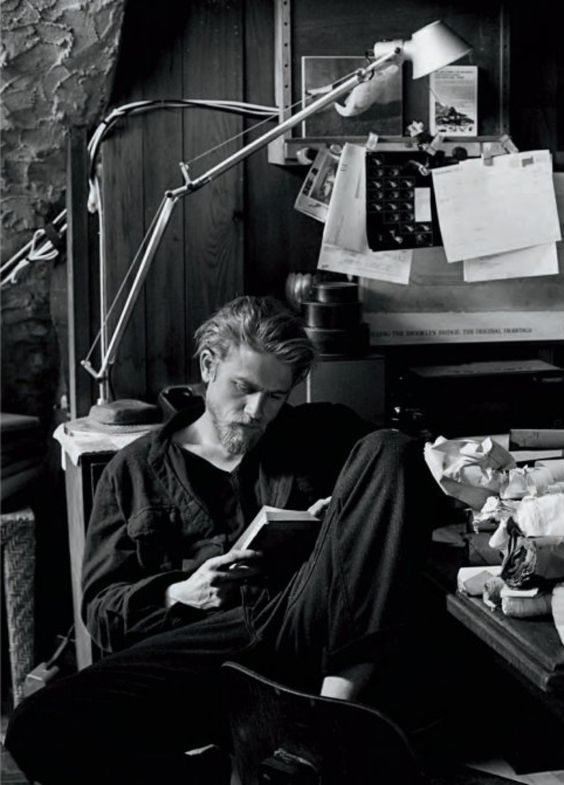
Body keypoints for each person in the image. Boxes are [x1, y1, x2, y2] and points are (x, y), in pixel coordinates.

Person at [6, 295, 440, 785]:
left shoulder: (322, 434)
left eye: (275, 397)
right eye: (244, 388)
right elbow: (101, 610)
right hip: (209, 654)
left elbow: (413, 492)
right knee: (36, 728)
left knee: (390, 448)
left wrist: (343, 520)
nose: (257, 411)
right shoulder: (134, 471)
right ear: (209, 366)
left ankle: (331, 716)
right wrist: (180, 592)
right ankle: (229, 767)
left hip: (310, 629)